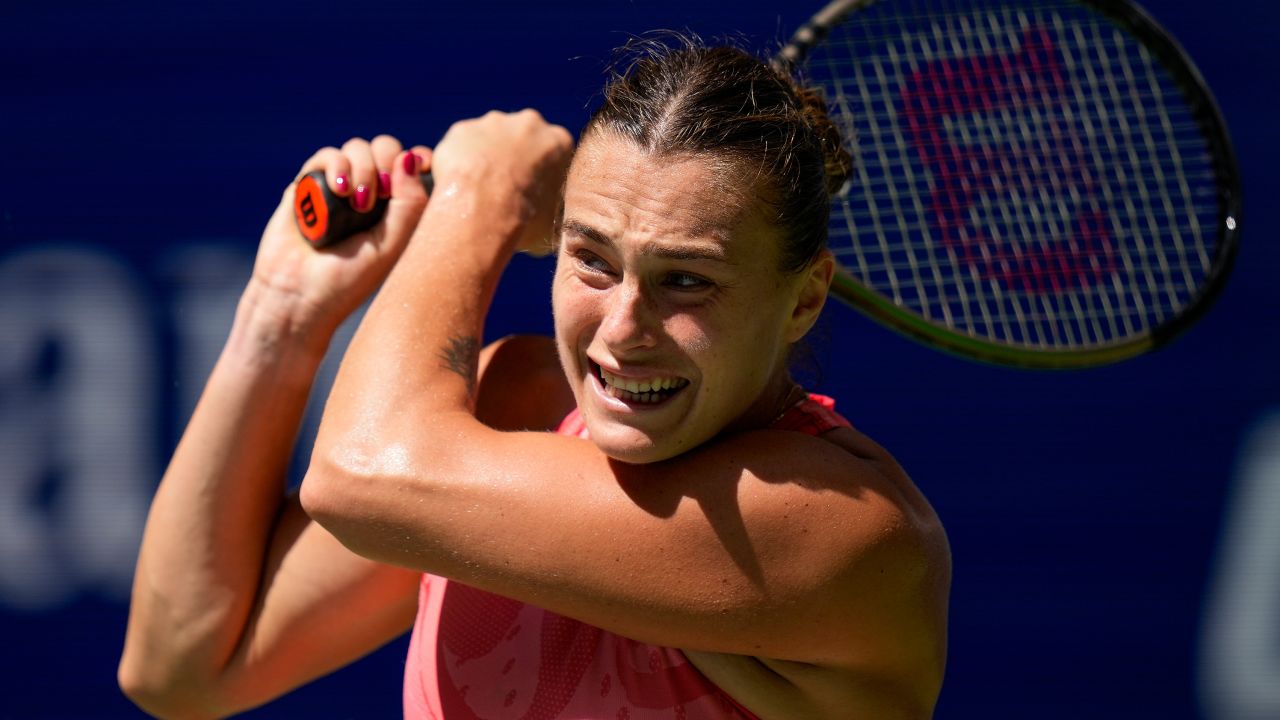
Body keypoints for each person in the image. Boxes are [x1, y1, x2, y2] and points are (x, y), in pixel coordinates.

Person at [119, 38, 950, 720]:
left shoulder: (847, 535)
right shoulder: (508, 411)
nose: (623, 329)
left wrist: (477, 198)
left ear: (804, 297)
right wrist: (282, 311)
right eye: (591, 259)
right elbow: (183, 669)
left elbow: (358, 477)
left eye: (686, 280)